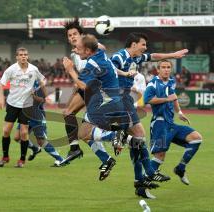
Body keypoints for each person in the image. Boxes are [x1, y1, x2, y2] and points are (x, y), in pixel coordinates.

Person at [63, 34, 169, 186]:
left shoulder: (93, 63)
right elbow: (99, 48)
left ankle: (116, 137)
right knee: (137, 136)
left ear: (87, 50)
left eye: (78, 49)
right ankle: (147, 174)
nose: (76, 52)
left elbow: (83, 86)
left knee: (83, 133)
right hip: (117, 102)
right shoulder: (101, 54)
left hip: (106, 104)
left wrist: (70, 70)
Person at [110, 32, 188, 198]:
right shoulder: (120, 56)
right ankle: (118, 136)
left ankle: (140, 182)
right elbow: (110, 68)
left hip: (125, 99)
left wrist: (173, 55)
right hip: (116, 98)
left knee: (138, 140)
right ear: (134, 44)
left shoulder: (136, 58)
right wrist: (124, 74)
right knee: (137, 136)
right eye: (143, 44)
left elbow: (153, 56)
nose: (145, 48)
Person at [144, 60, 202, 185]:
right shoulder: (153, 84)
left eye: (168, 67)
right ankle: (142, 186)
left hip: (170, 124)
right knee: (159, 155)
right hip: (159, 124)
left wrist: (179, 112)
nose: (166, 69)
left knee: (196, 138)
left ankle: (180, 169)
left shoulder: (171, 81)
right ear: (158, 69)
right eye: (163, 67)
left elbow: (173, 96)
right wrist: (166, 99)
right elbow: (147, 99)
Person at [62, 18, 106, 163]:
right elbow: (82, 76)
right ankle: (74, 149)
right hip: (86, 88)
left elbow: (102, 48)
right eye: (70, 35)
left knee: (90, 126)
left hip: (97, 89)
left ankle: (122, 139)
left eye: (75, 33)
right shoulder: (75, 54)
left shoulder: (89, 46)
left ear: (81, 35)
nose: (73, 37)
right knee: (68, 113)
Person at [0, 47, 46, 168]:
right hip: (12, 104)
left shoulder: (33, 69)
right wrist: (1, 98)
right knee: (6, 131)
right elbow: (1, 84)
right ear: (17, 57)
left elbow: (42, 80)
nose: (23, 56)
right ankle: (5, 157)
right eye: (21, 54)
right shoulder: (11, 69)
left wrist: (42, 90)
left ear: (27, 56)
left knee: (24, 133)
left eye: (25, 54)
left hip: (26, 105)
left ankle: (22, 160)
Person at [14, 81, 67, 167]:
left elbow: (41, 101)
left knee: (41, 141)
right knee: (17, 137)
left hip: (37, 116)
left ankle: (59, 159)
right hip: (25, 115)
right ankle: (34, 148)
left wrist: (31, 95)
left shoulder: (40, 89)